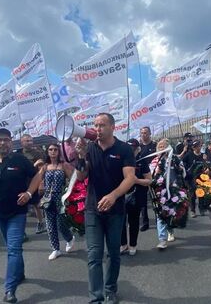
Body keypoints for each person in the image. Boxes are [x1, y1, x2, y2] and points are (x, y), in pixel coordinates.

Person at [0, 128, 42, 303]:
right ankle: (19, 273)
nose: (2, 143)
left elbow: (37, 176)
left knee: (13, 249)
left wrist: (28, 193)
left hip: (18, 213)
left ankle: (9, 289)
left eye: (6, 139)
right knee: (13, 249)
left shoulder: (20, 160)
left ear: (11, 142)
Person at [75, 113, 136, 304]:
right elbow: (81, 176)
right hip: (93, 209)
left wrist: (113, 195)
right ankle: (96, 297)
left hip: (115, 210)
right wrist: (80, 156)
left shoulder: (124, 149)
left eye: (101, 125)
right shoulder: (90, 148)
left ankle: (110, 289)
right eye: (95, 125)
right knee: (94, 255)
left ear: (112, 127)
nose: (97, 129)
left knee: (113, 253)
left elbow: (130, 178)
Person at [37, 142, 75, 260]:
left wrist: (70, 195)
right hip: (48, 199)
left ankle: (69, 238)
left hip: (60, 198)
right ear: (47, 152)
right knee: (50, 224)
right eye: (50, 149)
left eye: (55, 150)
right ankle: (56, 249)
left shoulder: (64, 165)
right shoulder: (44, 167)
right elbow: (37, 179)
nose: (53, 152)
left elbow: (73, 180)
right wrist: (40, 186)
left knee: (61, 223)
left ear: (59, 152)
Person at [150, 138, 185, 250]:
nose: (162, 148)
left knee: (171, 212)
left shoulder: (175, 159)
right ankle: (162, 239)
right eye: (160, 146)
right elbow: (150, 175)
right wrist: (156, 173)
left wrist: (180, 169)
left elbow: (183, 173)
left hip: (174, 190)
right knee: (161, 214)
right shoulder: (155, 160)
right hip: (160, 191)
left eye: (164, 146)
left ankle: (170, 230)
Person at [120, 138, 152, 256]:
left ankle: (133, 245)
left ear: (138, 149)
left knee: (133, 222)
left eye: (133, 149)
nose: (131, 151)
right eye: (129, 149)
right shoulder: (121, 160)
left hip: (136, 195)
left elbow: (149, 180)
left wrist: (136, 180)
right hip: (121, 195)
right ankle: (123, 244)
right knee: (120, 222)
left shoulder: (142, 161)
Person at [19, 134, 47, 235]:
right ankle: (21, 230)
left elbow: (41, 169)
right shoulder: (19, 154)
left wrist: (41, 184)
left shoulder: (38, 153)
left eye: (31, 140)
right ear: (21, 142)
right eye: (27, 141)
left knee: (36, 204)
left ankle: (40, 223)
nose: (29, 142)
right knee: (21, 205)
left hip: (34, 182)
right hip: (22, 182)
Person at [137, 127, 156, 231]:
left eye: (145, 133)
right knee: (143, 201)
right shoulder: (138, 147)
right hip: (143, 176)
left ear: (150, 134)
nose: (144, 135)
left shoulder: (154, 145)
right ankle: (145, 222)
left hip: (155, 174)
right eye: (142, 133)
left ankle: (160, 219)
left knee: (156, 199)